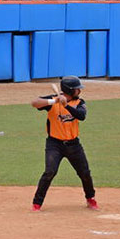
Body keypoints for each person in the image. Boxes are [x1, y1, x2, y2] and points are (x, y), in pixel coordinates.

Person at [30, 76, 98, 211]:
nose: (80, 91)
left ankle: (90, 198)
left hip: (74, 145)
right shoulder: (54, 100)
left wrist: (65, 105)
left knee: (84, 172)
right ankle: (37, 203)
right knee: (50, 172)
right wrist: (53, 101)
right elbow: (34, 102)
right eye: (77, 89)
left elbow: (81, 116)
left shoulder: (79, 102)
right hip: (54, 145)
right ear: (70, 90)